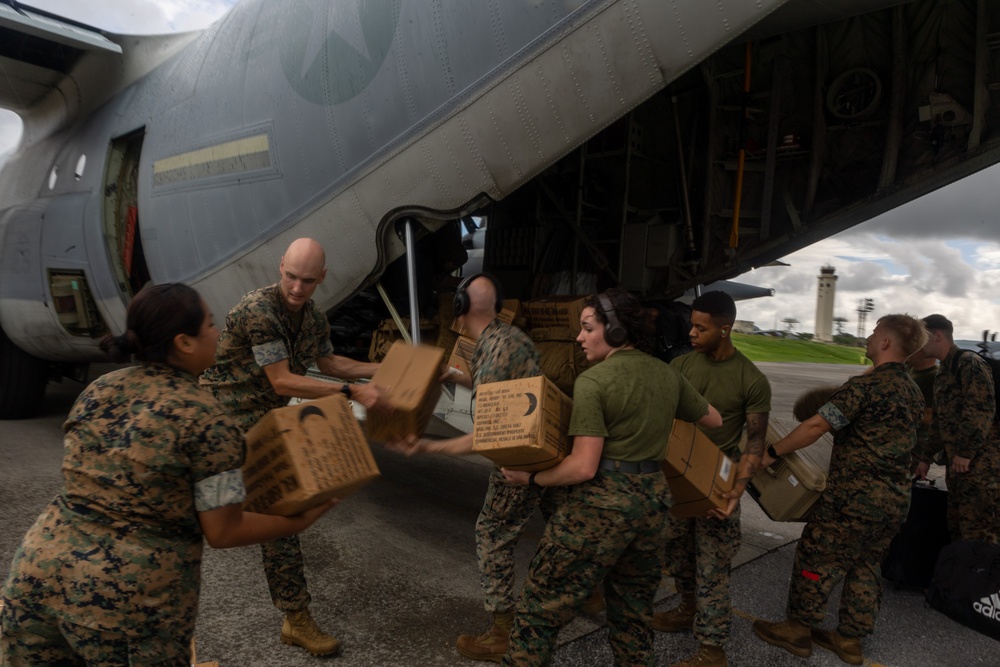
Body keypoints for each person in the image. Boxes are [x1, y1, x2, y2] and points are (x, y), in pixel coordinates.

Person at [0, 283, 335, 666]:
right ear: (184, 343)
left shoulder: (99, 389)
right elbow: (224, 530)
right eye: (210, 325)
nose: (219, 334)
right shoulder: (206, 420)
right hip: (124, 606)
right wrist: (302, 518)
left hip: (34, 579)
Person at [499, 287, 722, 667]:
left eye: (587, 328)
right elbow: (713, 419)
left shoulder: (595, 381)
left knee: (539, 609)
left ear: (616, 330)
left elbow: (583, 467)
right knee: (633, 614)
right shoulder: (667, 375)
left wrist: (531, 480)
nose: (579, 337)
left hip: (602, 506)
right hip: (652, 506)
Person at [200, 238, 383, 657]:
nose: (297, 288)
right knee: (192, 517)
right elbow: (282, 380)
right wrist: (351, 393)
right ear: (280, 266)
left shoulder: (314, 316)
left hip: (264, 425)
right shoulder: (258, 310)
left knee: (277, 514)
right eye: (290, 277)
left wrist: (385, 369)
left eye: (307, 280)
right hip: (219, 427)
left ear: (322, 277)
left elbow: (331, 362)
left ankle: (295, 617)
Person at [388, 272, 567, 663]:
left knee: (491, 534)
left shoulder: (493, 349)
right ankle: (590, 595)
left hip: (518, 458)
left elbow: (486, 436)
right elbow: (494, 382)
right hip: (544, 448)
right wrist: (455, 374)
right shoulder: (507, 337)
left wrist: (428, 447)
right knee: (559, 525)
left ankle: (502, 632)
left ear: (460, 308)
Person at [752, 314, 927, 666]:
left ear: (886, 344)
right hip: (894, 501)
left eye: (875, 332)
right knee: (866, 565)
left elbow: (816, 424)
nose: (869, 336)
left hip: (854, 500)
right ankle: (849, 641)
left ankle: (797, 630)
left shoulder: (865, 387)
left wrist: (772, 453)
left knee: (817, 558)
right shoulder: (912, 390)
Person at [654, 291, 771, 667]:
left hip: (719, 480)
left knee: (712, 567)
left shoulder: (751, 379)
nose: (691, 332)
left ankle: (712, 650)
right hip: (677, 475)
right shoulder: (682, 365)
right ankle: (687, 609)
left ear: (725, 329)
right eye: (691, 324)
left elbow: (754, 444)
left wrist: (737, 490)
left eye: (700, 327)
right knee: (677, 554)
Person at [914, 314, 999, 543]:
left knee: (980, 528)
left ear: (938, 335)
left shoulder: (969, 364)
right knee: (958, 524)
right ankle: (961, 575)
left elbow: (981, 409)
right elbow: (940, 421)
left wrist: (965, 452)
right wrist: (926, 458)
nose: (918, 344)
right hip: (958, 466)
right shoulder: (945, 371)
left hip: (981, 465)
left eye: (922, 337)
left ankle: (983, 576)